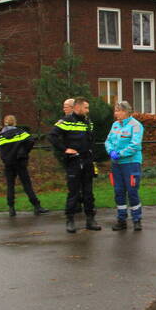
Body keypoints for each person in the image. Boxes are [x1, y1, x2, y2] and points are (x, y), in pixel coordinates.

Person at [48, 97, 101, 234]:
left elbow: (91, 140)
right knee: (73, 192)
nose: (88, 110)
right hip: (74, 161)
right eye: (86, 107)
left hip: (87, 160)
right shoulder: (66, 121)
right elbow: (52, 136)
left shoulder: (88, 122)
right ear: (77, 107)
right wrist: (65, 149)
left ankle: (90, 219)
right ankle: (70, 220)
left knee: (88, 192)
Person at [0, 115, 49, 217]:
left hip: (8, 163)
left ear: (5, 123)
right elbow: (31, 140)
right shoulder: (20, 133)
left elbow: (1, 150)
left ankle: (11, 208)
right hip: (20, 162)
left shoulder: (1, 136)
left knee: (10, 186)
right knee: (26, 184)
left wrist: (6, 159)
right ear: (15, 122)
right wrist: (24, 152)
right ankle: (36, 206)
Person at [106, 101, 145, 231]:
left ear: (126, 112)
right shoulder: (115, 125)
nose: (116, 113)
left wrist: (120, 154)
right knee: (119, 192)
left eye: (118, 110)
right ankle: (121, 219)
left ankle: (137, 219)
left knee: (132, 191)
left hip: (131, 164)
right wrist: (111, 151)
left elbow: (135, 145)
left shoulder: (136, 125)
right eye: (115, 110)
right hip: (116, 165)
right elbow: (108, 141)